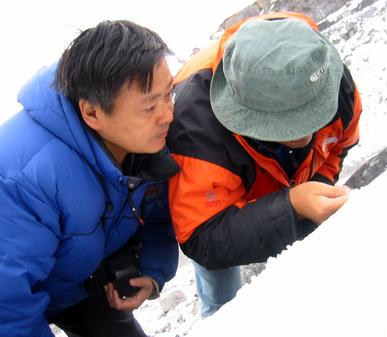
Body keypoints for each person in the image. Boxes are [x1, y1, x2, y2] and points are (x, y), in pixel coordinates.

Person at [167, 12, 362, 318]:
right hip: (220, 191)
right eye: (286, 123)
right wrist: (292, 206)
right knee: (221, 296)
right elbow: (202, 235)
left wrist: (318, 188)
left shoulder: (323, 73)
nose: (305, 135)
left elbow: (340, 144)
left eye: (312, 113)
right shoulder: (193, 130)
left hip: (281, 179)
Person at [0, 20, 179, 337]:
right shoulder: (28, 174)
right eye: (150, 105)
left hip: (79, 288)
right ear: (92, 113)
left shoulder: (146, 145)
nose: (167, 115)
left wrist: (152, 273)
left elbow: (158, 218)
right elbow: (7, 306)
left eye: (169, 94)